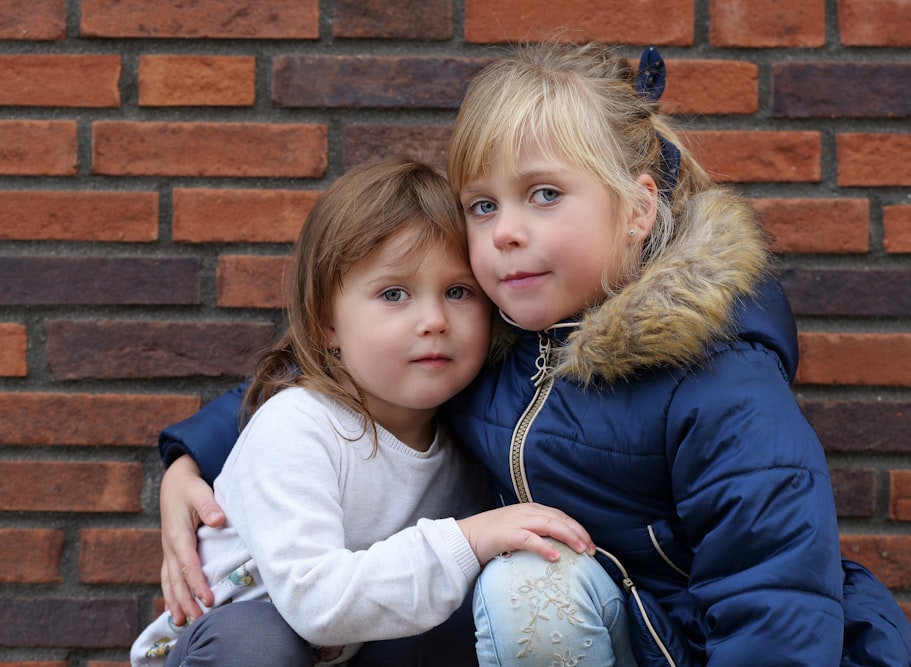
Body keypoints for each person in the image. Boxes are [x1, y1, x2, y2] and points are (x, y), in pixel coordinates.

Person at [156, 43, 911, 666]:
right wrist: (192, 461)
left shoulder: (719, 381)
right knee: (519, 581)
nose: (505, 232)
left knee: (527, 582)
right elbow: (345, 383)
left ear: (638, 208)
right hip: (567, 632)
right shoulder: (494, 334)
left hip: (705, 648)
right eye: (483, 206)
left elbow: (774, 592)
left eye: (544, 195)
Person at [132, 158, 594, 667]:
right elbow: (317, 604)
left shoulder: (474, 429)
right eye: (394, 294)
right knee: (260, 641)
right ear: (327, 322)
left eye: (458, 292)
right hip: (231, 647)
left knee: (476, 600)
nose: (434, 320)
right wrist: (470, 537)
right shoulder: (298, 425)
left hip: (355, 650)